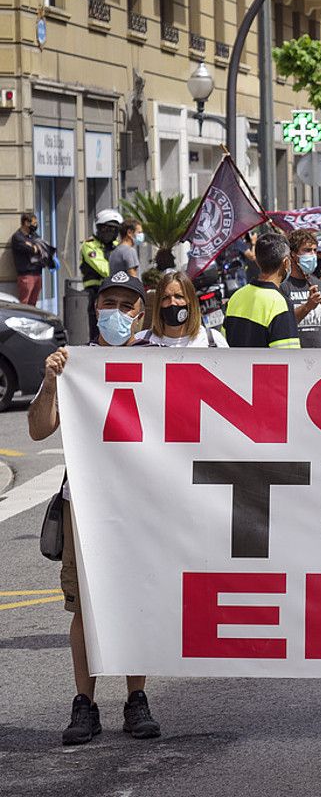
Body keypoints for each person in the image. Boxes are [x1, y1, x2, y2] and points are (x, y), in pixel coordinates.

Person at [30, 271, 162, 745]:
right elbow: (38, 430)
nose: (118, 312)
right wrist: (50, 383)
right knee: (85, 606)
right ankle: (84, 704)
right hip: (83, 502)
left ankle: (136, 699)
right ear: (96, 309)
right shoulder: (74, 365)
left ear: (140, 314)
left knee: (136, 601)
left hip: (139, 504)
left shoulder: (159, 363)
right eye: (110, 302)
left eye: (128, 305)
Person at [223, 232, 301, 350]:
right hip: (264, 369)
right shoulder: (280, 303)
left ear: (258, 262)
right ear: (286, 263)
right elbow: (288, 358)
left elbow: (224, 343)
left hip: (235, 368)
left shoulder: (236, 297)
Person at [282, 231, 321, 349]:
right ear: (293, 254)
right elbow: (283, 325)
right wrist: (308, 306)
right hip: (294, 359)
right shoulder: (283, 287)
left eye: (315, 250)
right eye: (307, 250)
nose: (312, 255)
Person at [133, 271, 228, 347]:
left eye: (179, 296)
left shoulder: (213, 341)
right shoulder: (141, 342)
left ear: (190, 301)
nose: (172, 303)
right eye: (165, 298)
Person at [81, 209, 122, 339]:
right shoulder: (90, 245)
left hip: (115, 289)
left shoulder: (117, 245)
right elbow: (104, 269)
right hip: (96, 291)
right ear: (98, 228)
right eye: (106, 228)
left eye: (113, 229)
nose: (110, 232)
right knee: (97, 327)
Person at [11, 212, 50, 305]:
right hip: (26, 275)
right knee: (24, 302)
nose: (35, 225)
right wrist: (34, 247)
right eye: (34, 223)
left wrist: (36, 246)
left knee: (33, 303)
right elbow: (31, 249)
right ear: (26, 223)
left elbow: (42, 245)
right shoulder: (18, 237)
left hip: (37, 273)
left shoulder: (34, 235)